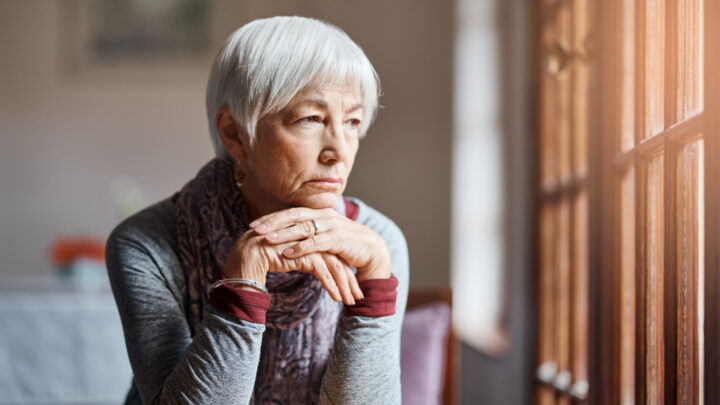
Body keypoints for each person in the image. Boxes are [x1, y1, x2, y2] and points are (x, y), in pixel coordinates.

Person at [106, 16, 409, 405]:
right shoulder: (147, 245)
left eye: (351, 121)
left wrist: (375, 283)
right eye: (310, 119)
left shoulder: (376, 243)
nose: (339, 152)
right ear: (234, 133)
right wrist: (243, 280)